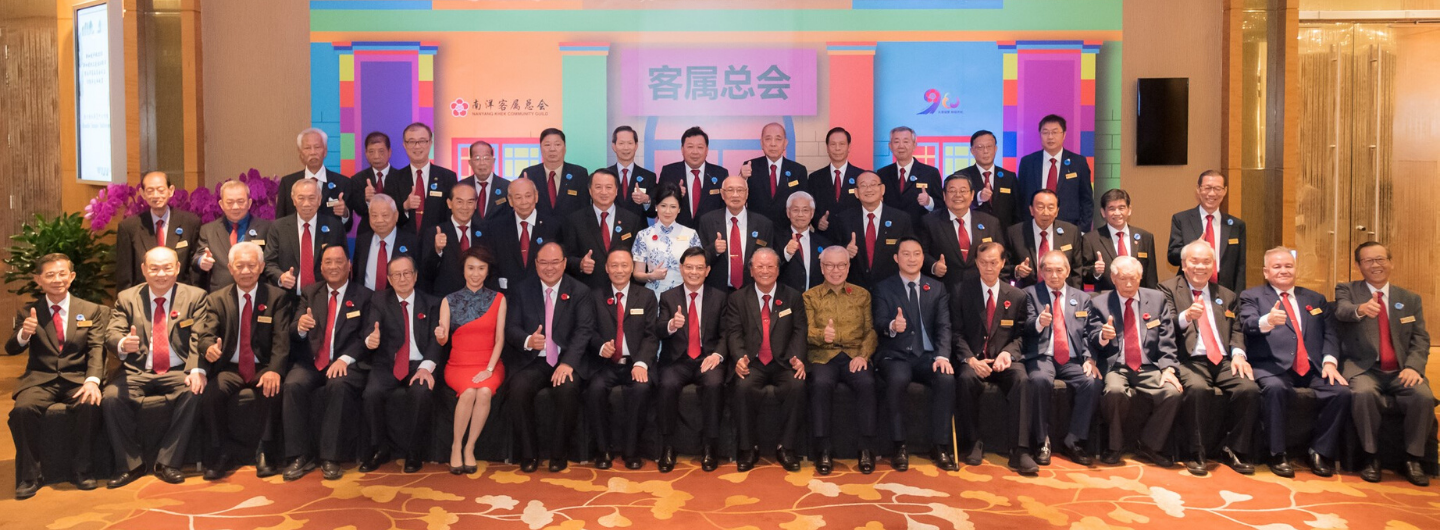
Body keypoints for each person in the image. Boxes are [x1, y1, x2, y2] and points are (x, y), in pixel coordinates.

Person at [102, 247, 208, 488]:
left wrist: (195, 370)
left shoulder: (195, 296)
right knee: (111, 397)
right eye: (154, 268)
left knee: (194, 392)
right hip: (137, 370)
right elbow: (112, 332)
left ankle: (168, 463)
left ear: (178, 268)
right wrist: (123, 343)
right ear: (144, 270)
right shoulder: (127, 298)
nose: (161, 274)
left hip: (177, 369)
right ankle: (131, 465)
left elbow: (199, 336)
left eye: (167, 268)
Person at [5, 253, 109, 499]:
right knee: (22, 411)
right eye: (50, 275)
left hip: (77, 378)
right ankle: (30, 476)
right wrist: (24, 334)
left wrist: (92, 381)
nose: (57, 279)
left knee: (90, 404)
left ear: (72, 277)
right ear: (38, 280)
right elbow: (11, 348)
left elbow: (96, 349)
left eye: (62, 274)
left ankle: (82, 470)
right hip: (41, 379)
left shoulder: (91, 310)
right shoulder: (29, 311)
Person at [1239, 247, 1348, 479]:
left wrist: (1329, 362)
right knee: (1275, 389)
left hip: (1312, 366)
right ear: (1266, 272)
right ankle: (1277, 454)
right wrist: (1267, 320)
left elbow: (1330, 333)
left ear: (1296, 269)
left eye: (1288, 266)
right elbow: (1248, 324)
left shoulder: (1315, 298)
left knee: (1340, 392)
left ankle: (1319, 452)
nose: (1284, 271)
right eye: (1277, 266)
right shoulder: (1252, 296)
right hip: (1271, 366)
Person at [192, 242, 294, 481]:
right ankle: (220, 452)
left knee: (273, 388)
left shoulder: (277, 297)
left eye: (251, 265)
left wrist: (275, 370)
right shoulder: (216, 299)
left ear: (261, 267)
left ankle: (266, 451)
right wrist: (209, 349)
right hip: (230, 366)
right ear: (230, 268)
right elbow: (206, 335)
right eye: (240, 266)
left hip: (263, 365)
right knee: (211, 395)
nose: (246, 271)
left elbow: (281, 340)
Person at [1334, 242, 1431, 486]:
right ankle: (1371, 456)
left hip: (1401, 369)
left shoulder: (1409, 298)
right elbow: (1342, 311)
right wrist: (1361, 309)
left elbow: (1420, 338)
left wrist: (1413, 367)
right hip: (1365, 368)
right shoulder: (1347, 289)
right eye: (1368, 261)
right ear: (1358, 265)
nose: (1375, 265)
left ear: (1391, 262)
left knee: (1423, 396)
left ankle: (1413, 459)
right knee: (1363, 394)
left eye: (1380, 259)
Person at [1158, 240, 1257, 476]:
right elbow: (1164, 325)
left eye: (1206, 262)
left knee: (1249, 389)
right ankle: (1196, 452)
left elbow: (1236, 329)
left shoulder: (1227, 295)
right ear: (1184, 264)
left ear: (1213, 266)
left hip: (1223, 360)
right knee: (1198, 390)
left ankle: (1233, 449)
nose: (1200, 267)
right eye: (1195, 261)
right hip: (1188, 359)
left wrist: (1238, 354)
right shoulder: (1167, 289)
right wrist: (1186, 316)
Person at [281, 245, 373, 481]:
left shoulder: (364, 296)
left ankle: (331, 457)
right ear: (321, 267)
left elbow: (366, 337)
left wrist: (344, 359)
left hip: (345, 363)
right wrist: (301, 327)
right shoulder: (310, 292)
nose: (333, 267)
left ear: (349, 265)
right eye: (328, 262)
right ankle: (299, 456)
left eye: (339, 261)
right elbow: (293, 329)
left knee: (338, 386)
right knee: (292, 385)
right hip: (312, 361)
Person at [502, 242, 596, 473]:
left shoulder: (580, 291)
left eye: (555, 262)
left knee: (567, 389)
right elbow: (510, 327)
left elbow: (584, 330)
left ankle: (558, 453)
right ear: (536, 264)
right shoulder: (522, 290)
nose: (549, 267)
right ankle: (529, 453)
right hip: (533, 360)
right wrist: (528, 340)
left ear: (564, 263)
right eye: (543, 262)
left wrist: (568, 363)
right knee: (517, 389)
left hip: (565, 359)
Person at [1086, 256, 1182, 468]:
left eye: (1134, 278)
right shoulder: (1099, 303)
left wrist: (1168, 369)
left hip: (1149, 366)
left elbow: (1167, 339)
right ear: (1113, 278)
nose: (1129, 284)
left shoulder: (1156, 299)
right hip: (1116, 365)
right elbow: (1091, 336)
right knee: (1114, 392)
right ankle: (1114, 446)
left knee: (1172, 392)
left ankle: (1149, 444)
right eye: (1123, 279)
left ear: (1141, 277)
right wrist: (1103, 336)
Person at [871, 238, 955, 472]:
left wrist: (942, 356)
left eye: (917, 254)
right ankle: (899, 445)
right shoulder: (883, 287)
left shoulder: (936, 287)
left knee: (946, 379)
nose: (911, 259)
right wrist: (892, 326)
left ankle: (940, 445)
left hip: (928, 355)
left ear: (923, 257)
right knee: (897, 379)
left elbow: (944, 326)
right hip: (896, 354)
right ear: (896, 258)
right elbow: (878, 322)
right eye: (906, 254)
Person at [721, 248, 807, 472]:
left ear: (778, 270)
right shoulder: (738, 298)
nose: (765, 271)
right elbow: (734, 333)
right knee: (742, 386)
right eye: (759, 266)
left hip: (784, 361)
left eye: (770, 266)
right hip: (753, 361)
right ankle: (748, 448)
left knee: (797, 385)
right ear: (751, 270)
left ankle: (786, 447)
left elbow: (799, 330)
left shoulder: (793, 297)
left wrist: (797, 357)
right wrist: (739, 358)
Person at [952, 241, 1034, 473]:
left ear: (1003, 263)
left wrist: (1008, 353)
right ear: (976, 263)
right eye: (983, 262)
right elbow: (955, 333)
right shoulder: (961, 291)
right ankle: (973, 442)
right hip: (974, 360)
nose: (988, 267)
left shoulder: (1017, 295)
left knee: (1022, 379)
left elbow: (1021, 336)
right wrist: (970, 359)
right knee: (965, 379)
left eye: (993, 262)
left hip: (1003, 361)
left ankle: (1020, 450)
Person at [358, 255, 443, 474]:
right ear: (389, 279)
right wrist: (370, 339)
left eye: (407, 273)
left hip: (419, 363)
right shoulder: (379, 300)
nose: (402, 279)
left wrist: (426, 367)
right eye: (397, 275)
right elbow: (370, 328)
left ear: (415, 276)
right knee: (371, 394)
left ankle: (414, 452)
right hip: (388, 363)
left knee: (421, 393)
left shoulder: (432, 303)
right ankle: (380, 448)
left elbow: (436, 340)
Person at [1021, 250, 1102, 467]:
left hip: (1072, 358)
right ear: (1041, 272)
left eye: (1059, 270)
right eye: (1048, 270)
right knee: (1039, 380)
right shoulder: (1029, 294)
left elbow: (1089, 333)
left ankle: (1074, 440)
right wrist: (1038, 322)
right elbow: (1023, 327)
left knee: (1092, 382)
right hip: (1042, 355)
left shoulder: (1082, 298)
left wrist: (1089, 358)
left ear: (1067, 271)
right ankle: (1041, 441)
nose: (1054, 275)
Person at [803, 246, 878, 475]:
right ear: (822, 268)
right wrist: (821, 335)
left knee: (867, 383)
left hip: (854, 355)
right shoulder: (809, 296)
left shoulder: (862, 294)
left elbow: (870, 331)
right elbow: (804, 332)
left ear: (848, 266)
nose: (835, 270)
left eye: (841, 265)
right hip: (823, 355)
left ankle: (866, 448)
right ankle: (823, 449)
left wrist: (863, 355)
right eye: (830, 265)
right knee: (820, 384)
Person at [655, 247, 728, 473]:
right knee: (666, 385)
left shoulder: (720, 297)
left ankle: (710, 446)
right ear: (681, 268)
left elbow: (727, 333)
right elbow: (658, 329)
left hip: (708, 358)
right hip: (677, 360)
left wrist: (717, 355)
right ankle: (668, 446)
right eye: (689, 267)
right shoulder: (668, 297)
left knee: (714, 384)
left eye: (699, 268)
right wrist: (671, 325)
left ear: (707, 270)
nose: (693, 272)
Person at [583, 250, 658, 470]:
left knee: (642, 389)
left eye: (624, 265)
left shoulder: (646, 296)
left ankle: (631, 451)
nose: (619, 270)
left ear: (632, 268)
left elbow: (651, 335)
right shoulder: (594, 296)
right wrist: (600, 346)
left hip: (635, 363)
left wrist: (641, 363)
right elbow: (587, 330)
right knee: (594, 389)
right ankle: (603, 450)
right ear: (606, 268)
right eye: (614, 265)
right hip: (605, 365)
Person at [440, 246, 507, 475]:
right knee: (468, 392)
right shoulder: (449, 300)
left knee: (485, 391)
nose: (475, 273)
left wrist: (489, 369)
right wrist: (440, 335)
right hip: (458, 364)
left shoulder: (498, 299)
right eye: (471, 268)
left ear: (488, 271)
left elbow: (500, 339)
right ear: (463, 270)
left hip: (489, 362)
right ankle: (456, 446)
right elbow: (443, 338)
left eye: (481, 268)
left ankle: (470, 447)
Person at [115, 171, 202, 290]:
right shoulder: (129, 227)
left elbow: (194, 270)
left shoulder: (190, 223)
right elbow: (124, 275)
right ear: (143, 193)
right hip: (143, 295)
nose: (156, 195)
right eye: (150, 191)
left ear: (171, 190)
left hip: (181, 294)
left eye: (161, 190)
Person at [562, 168, 644, 293]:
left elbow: (639, 259)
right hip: (588, 291)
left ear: (616, 191)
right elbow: (566, 258)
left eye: (609, 187)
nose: (604, 192)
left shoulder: (632, 220)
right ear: (590, 191)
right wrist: (580, 264)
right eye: (598, 187)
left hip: (623, 291)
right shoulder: (575, 220)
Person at [263, 178, 347, 296]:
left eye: (312, 198)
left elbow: (344, 263)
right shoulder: (278, 227)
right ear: (294, 201)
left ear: (319, 200)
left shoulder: (334, 226)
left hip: (323, 297)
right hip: (288, 297)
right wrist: (281, 277)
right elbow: (268, 262)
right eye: (301, 198)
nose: (306, 204)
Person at [920, 174, 1005, 290]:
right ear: (944, 195)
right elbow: (921, 253)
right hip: (944, 290)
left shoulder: (990, 222)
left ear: (972, 195)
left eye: (963, 191)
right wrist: (934, 266)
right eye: (952, 191)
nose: (958, 195)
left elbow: (1002, 256)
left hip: (981, 291)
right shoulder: (929, 222)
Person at [1168, 170, 1247, 293]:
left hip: (1225, 291)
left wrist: (1238, 297)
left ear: (1225, 191)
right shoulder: (1182, 219)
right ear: (1198, 189)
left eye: (1217, 189)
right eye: (1207, 188)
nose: (1212, 193)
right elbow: (1172, 257)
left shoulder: (1236, 225)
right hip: (1190, 289)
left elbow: (1240, 267)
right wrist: (1192, 248)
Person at [831, 171, 914, 288]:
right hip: (854, 289)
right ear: (856, 193)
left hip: (891, 289)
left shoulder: (901, 219)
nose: (868, 189)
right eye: (863, 185)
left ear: (882, 189)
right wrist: (845, 252)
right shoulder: (843, 219)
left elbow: (908, 253)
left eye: (873, 184)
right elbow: (833, 252)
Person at [479, 178, 557, 293]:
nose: (524, 202)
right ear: (510, 200)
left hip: (543, 295)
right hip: (506, 296)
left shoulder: (553, 227)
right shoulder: (495, 228)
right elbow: (490, 267)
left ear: (536, 196)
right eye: (518, 197)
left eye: (528, 196)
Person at [700, 176, 777, 291]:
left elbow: (769, 259)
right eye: (730, 190)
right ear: (722, 194)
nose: (735, 195)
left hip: (751, 291)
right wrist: (714, 250)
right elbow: (700, 259)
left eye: (740, 190)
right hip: (717, 291)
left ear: (747, 193)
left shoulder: (764, 224)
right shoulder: (707, 221)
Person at [1017, 115, 1093, 231]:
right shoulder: (1027, 162)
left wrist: (1081, 230)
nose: (1050, 137)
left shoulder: (1078, 162)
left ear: (1064, 134)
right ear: (1040, 135)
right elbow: (1021, 199)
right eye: (1045, 132)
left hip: (1069, 229)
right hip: (1034, 228)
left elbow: (1086, 200)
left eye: (1055, 132)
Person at [194, 180, 273, 291]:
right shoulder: (208, 230)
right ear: (221, 205)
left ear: (249, 203)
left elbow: (271, 261)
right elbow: (198, 255)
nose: (235, 207)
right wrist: (202, 261)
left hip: (257, 293)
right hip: (220, 293)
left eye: (240, 201)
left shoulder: (267, 228)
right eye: (230, 202)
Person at [632, 185, 702, 297]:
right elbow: (637, 274)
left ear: (679, 209)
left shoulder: (691, 234)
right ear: (656, 207)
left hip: (682, 296)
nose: (668, 211)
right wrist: (651, 276)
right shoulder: (644, 235)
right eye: (663, 206)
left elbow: (698, 269)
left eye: (673, 207)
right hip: (653, 296)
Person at [1082, 189, 1159, 291]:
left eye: (1121, 208)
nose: (1117, 213)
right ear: (1103, 212)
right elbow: (1084, 275)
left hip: (1138, 297)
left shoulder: (1145, 237)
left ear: (1129, 210)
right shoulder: (1091, 239)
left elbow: (1151, 278)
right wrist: (1096, 272)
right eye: (1112, 209)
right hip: (1107, 297)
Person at [1006, 189, 1082, 289]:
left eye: (1050, 208)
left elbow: (1077, 270)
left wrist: (1073, 295)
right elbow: (1004, 268)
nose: (1045, 212)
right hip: (1027, 293)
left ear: (1057, 211)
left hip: (1061, 292)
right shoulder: (1015, 233)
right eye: (1040, 207)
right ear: (1031, 210)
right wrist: (1017, 270)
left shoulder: (1071, 232)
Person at [275, 128, 351, 226]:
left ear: (325, 151)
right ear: (300, 153)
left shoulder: (343, 183)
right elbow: (280, 222)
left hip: (331, 235)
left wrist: (344, 214)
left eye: (317, 147)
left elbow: (348, 226)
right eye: (307, 148)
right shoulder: (288, 183)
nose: (313, 152)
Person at [421, 181, 486, 296]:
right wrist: (437, 251)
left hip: (479, 299)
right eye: (459, 202)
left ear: (476, 204)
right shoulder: (434, 233)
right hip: (445, 300)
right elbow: (427, 274)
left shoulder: (485, 233)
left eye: (470, 202)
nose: (465, 207)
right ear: (449, 203)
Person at [740, 122, 809, 229]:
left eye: (778, 139)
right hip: (756, 229)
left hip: (787, 230)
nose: (773, 144)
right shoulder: (750, 166)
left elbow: (804, 203)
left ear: (785, 143)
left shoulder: (798, 170)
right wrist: (742, 178)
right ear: (761, 143)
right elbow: (739, 197)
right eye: (768, 139)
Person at [392, 122, 458, 233]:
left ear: (430, 143)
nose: (417, 146)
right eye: (411, 141)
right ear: (404, 145)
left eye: (422, 141)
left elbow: (452, 215)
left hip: (437, 240)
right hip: (404, 242)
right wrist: (405, 207)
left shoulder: (447, 177)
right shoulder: (394, 178)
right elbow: (387, 217)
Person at [657, 127, 727, 228]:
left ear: (707, 150)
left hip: (710, 234)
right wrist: (674, 194)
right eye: (690, 147)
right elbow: (658, 203)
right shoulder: (669, 172)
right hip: (677, 233)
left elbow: (725, 208)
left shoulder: (720, 174)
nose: (695, 152)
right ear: (682, 149)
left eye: (700, 147)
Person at [353, 194, 421, 293]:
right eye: (374, 216)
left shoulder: (411, 242)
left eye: (385, 215)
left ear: (396, 215)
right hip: (366, 299)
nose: (379, 220)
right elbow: (356, 275)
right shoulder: (362, 241)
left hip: (397, 300)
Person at [346, 131, 408, 239]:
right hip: (367, 235)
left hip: (398, 233)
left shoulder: (402, 178)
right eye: (371, 152)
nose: (376, 156)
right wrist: (366, 199)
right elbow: (358, 210)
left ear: (389, 152)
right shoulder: (358, 179)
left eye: (381, 151)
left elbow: (403, 212)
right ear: (366, 153)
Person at [521, 128, 591, 221]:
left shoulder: (579, 173)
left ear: (564, 148)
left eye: (557, 144)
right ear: (540, 148)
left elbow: (585, 207)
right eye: (547, 145)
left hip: (570, 228)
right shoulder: (529, 174)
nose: (552, 149)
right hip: (538, 228)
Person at [877, 126, 943, 225]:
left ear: (914, 145)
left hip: (921, 230)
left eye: (906, 141)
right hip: (891, 230)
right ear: (890, 146)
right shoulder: (882, 174)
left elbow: (942, 206)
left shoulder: (930, 173)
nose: (901, 146)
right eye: (896, 142)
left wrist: (929, 202)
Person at [805, 127, 865, 233]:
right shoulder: (815, 178)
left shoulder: (861, 176)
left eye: (842, 144)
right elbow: (809, 207)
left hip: (854, 237)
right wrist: (817, 221)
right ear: (827, 148)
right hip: (824, 238)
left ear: (849, 147)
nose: (837, 148)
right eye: (833, 144)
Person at [957, 130, 1020, 229]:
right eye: (980, 147)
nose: (985, 151)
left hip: (1004, 234)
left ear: (995, 149)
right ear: (972, 151)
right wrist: (979, 197)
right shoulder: (961, 176)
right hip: (973, 232)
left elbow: (1017, 211)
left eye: (989, 146)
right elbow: (955, 205)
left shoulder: (1009, 177)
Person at [778, 192, 831, 292]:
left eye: (805, 210)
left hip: (815, 299)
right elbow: (771, 269)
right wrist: (786, 253)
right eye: (795, 210)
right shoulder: (776, 238)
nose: (800, 215)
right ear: (788, 212)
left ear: (812, 213)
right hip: (786, 299)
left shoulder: (824, 243)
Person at [456, 140, 510, 229]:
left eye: (486, 158)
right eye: (477, 158)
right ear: (470, 162)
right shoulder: (461, 187)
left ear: (493, 160)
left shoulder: (507, 187)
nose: (482, 163)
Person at [606, 125, 656, 220]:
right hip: (610, 228)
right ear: (614, 146)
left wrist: (646, 200)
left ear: (636, 146)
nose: (626, 148)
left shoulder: (648, 177)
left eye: (630, 143)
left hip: (638, 229)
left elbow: (653, 213)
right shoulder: (604, 175)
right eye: (621, 143)